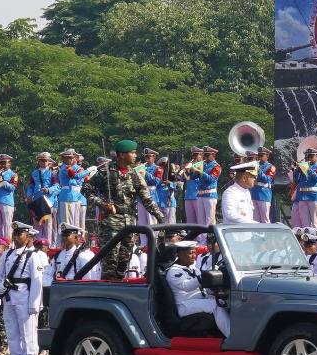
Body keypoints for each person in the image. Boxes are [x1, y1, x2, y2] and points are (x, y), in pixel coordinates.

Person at [83, 141, 165, 281]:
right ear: (121, 155)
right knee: (110, 263)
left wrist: (161, 218)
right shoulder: (105, 173)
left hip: (129, 223)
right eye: (132, 153)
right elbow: (86, 189)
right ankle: (108, 293)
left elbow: (147, 199)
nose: (135, 156)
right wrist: (102, 204)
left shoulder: (135, 175)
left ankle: (119, 287)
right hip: (111, 224)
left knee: (123, 262)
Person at [0, 223, 48, 355]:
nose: (17, 237)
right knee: (12, 333)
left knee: (28, 333)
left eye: (20, 234)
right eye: (15, 234)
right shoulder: (7, 254)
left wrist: (34, 304)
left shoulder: (33, 256)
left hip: (24, 298)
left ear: (27, 237)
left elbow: (37, 281)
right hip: (9, 297)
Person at [164, 240, 230, 337]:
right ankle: (231, 336)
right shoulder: (173, 271)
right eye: (190, 253)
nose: (194, 256)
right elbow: (186, 286)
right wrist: (205, 275)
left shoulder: (193, 270)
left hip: (197, 301)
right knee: (216, 305)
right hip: (185, 305)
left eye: (194, 253)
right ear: (181, 256)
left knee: (224, 302)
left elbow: (205, 287)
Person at [291, 147, 317, 231]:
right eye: (307, 157)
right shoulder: (303, 167)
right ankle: (306, 238)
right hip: (303, 196)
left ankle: (316, 239)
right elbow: (296, 179)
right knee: (304, 222)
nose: (308, 159)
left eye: (310, 157)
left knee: (314, 221)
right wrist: (297, 170)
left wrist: (308, 169)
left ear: (316, 157)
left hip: (313, 196)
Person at [250, 147, 275, 223]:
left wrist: (258, 170)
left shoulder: (270, 167)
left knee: (265, 218)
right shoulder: (255, 165)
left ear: (267, 156)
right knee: (255, 219)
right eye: (258, 156)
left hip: (263, 195)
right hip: (253, 193)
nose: (259, 158)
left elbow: (267, 180)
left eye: (261, 156)